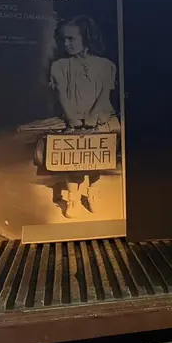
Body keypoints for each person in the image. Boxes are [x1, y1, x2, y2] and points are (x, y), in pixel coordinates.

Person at [49, 15, 119, 218]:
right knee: (73, 158)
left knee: (97, 156)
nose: (66, 44)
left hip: (99, 117)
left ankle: (93, 191)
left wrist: (95, 115)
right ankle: (72, 196)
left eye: (71, 39)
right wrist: (72, 118)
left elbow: (105, 92)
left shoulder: (106, 65)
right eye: (63, 39)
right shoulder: (59, 66)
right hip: (72, 118)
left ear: (87, 38)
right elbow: (62, 94)